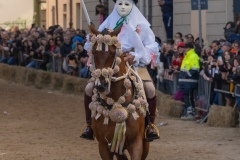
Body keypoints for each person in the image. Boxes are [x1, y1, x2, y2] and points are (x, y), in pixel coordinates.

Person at [81, 0, 160, 142]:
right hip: (110, 66)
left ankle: (150, 125)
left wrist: (135, 55)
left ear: (133, 6)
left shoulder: (141, 25)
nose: (123, 7)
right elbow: (95, 45)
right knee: (88, 88)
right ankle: (89, 126)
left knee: (150, 89)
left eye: (127, 4)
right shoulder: (107, 23)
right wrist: (93, 40)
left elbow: (151, 46)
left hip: (134, 64)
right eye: (120, 3)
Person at [179, 43, 200, 120]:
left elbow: (195, 69)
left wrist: (186, 75)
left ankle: (191, 113)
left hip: (190, 81)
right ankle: (189, 112)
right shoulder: (187, 56)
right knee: (186, 97)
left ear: (189, 48)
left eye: (185, 47)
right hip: (185, 81)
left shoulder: (193, 56)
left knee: (189, 97)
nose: (184, 49)